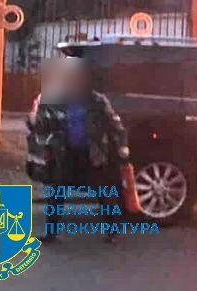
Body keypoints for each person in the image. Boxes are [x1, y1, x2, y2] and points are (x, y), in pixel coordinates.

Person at [27, 57, 129, 243]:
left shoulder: (98, 101)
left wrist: (122, 147)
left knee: (104, 192)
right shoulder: (57, 99)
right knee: (56, 192)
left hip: (92, 154)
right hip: (65, 153)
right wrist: (33, 119)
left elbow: (116, 125)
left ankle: (112, 232)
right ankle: (51, 234)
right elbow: (45, 123)